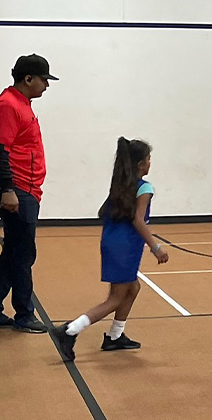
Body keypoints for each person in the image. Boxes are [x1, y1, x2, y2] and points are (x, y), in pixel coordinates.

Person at [51, 138, 168, 361]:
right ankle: (70, 330)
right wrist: (156, 247)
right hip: (126, 246)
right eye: (149, 159)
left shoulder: (120, 184)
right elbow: (138, 220)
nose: (150, 163)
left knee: (133, 288)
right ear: (141, 163)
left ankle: (115, 336)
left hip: (112, 241)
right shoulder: (145, 188)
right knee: (115, 298)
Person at [0, 54, 59, 334]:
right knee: (23, 254)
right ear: (28, 79)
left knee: (14, 253)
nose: (46, 85)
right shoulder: (8, 106)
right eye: (44, 80)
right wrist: (8, 190)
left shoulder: (21, 104)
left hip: (26, 190)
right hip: (17, 191)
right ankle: (24, 314)